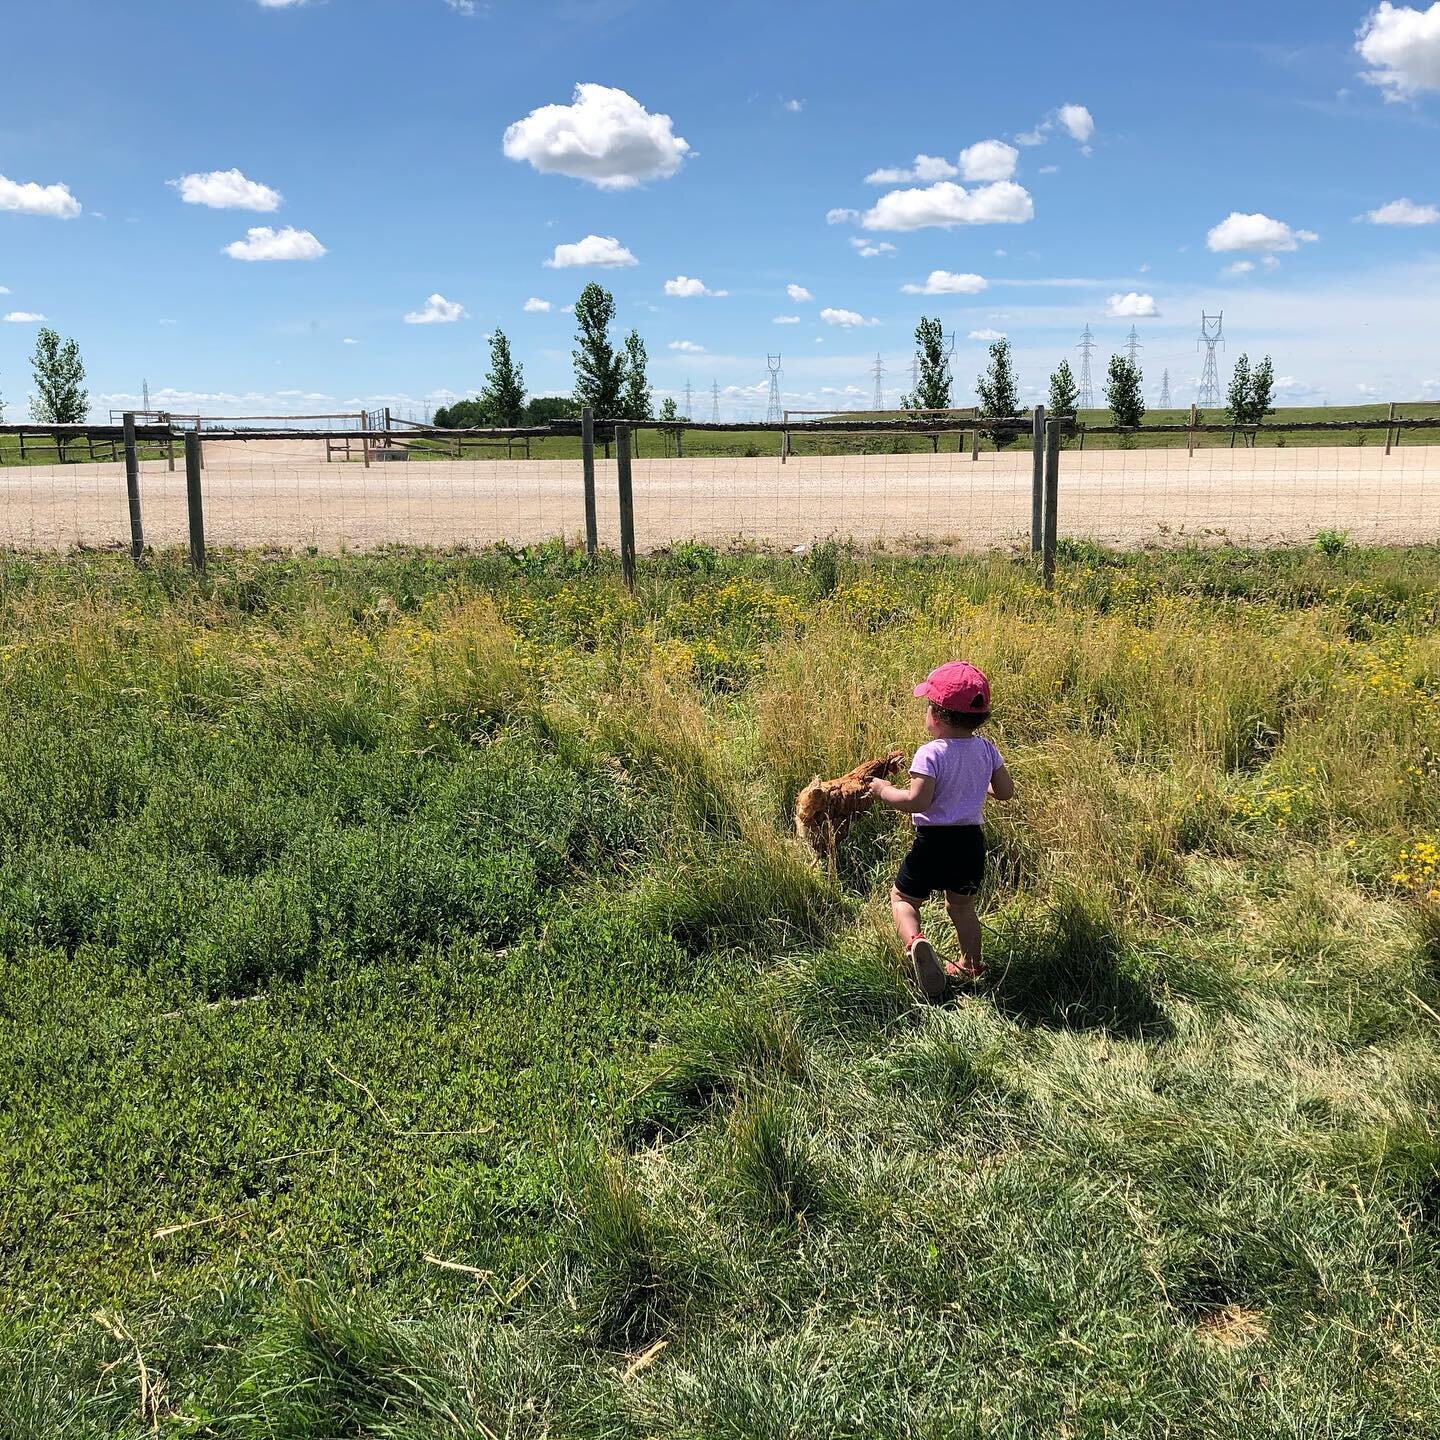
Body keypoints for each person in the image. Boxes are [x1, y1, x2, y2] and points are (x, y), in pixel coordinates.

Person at [868, 661, 1014, 999]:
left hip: (933, 843)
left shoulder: (930, 753)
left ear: (937, 714)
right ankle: (971, 964)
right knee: (961, 906)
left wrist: (883, 790)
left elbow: (917, 801)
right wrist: (979, 785)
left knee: (903, 898)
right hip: (970, 844)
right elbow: (1005, 792)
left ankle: (916, 944)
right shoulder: (987, 749)